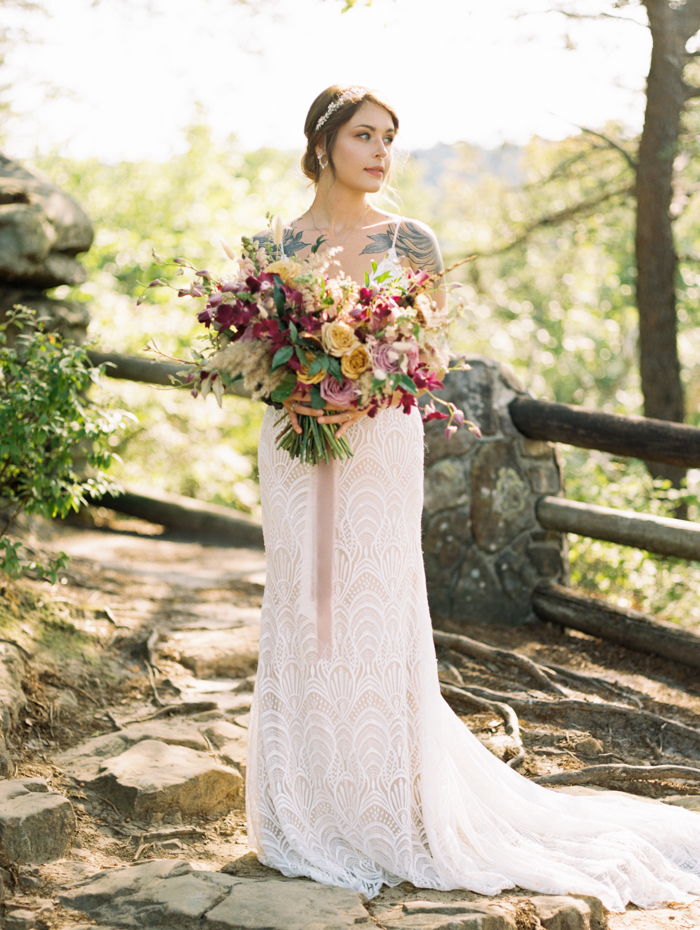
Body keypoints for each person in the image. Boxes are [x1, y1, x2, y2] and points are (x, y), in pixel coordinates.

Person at [246, 84, 700, 913]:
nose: (382, 151)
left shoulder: (409, 239)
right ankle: (311, 802)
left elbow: (428, 355)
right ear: (321, 144)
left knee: (375, 608)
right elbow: (252, 356)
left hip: (378, 443)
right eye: (364, 135)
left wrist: (354, 393)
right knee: (306, 607)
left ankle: (387, 803)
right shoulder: (274, 244)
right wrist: (295, 389)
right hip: (297, 448)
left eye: (390, 136)